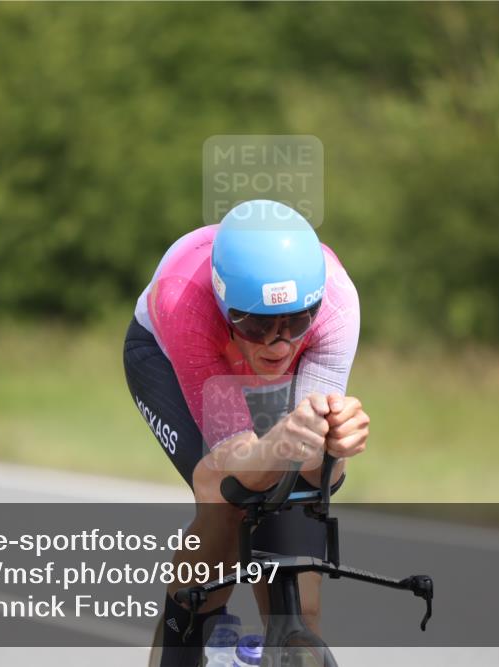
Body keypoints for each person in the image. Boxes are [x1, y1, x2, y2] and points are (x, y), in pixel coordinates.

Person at [123, 199, 369, 666]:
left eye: (296, 322)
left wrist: (338, 447)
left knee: (301, 577)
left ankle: (291, 642)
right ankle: (189, 632)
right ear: (223, 303)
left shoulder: (336, 305)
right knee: (229, 503)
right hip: (167, 357)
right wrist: (279, 444)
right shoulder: (184, 301)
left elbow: (314, 471)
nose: (278, 343)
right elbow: (227, 466)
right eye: (258, 324)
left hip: (250, 352)